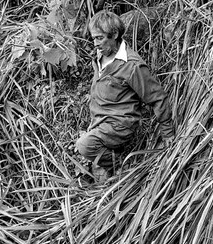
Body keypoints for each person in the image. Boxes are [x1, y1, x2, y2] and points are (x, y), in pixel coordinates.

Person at [75, 10, 175, 183]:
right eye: (93, 38)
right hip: (99, 123)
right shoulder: (100, 57)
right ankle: (112, 169)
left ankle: (125, 166)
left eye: (100, 38)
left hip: (120, 125)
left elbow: (157, 97)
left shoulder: (131, 66)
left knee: (84, 145)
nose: (95, 44)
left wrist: (167, 133)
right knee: (101, 183)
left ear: (114, 35)